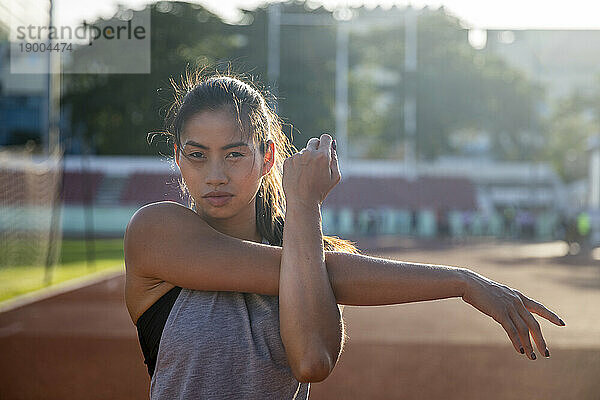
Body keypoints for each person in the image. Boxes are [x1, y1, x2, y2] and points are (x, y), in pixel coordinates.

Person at [123, 68, 566, 399]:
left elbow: (313, 360)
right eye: (197, 156)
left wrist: (465, 280)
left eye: (234, 154)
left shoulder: (311, 263)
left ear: (268, 155)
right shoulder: (156, 230)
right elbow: (314, 268)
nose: (215, 175)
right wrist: (462, 282)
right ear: (178, 158)